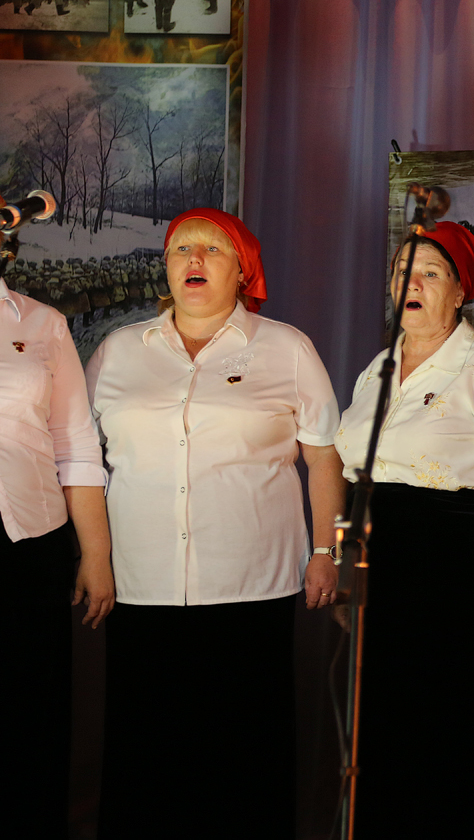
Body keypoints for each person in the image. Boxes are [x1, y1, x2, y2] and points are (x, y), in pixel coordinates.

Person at [86, 209, 344, 838]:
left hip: (251, 585)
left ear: (243, 270)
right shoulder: (118, 350)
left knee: (243, 757)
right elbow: (81, 461)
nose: (194, 260)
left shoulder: (286, 347)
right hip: (140, 583)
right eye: (181, 249)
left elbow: (323, 457)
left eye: (212, 249)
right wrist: (91, 558)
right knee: (145, 756)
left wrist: (325, 551)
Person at [334, 222, 474, 835]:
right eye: (403, 272)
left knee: (449, 729)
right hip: (381, 571)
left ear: (460, 292)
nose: (413, 284)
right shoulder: (377, 369)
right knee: (383, 727)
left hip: (451, 566)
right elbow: (353, 477)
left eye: (430, 273)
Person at [1, 264, 113, 839]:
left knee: (28, 723)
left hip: (30, 545)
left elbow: (74, 444)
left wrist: (95, 554)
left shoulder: (42, 322)